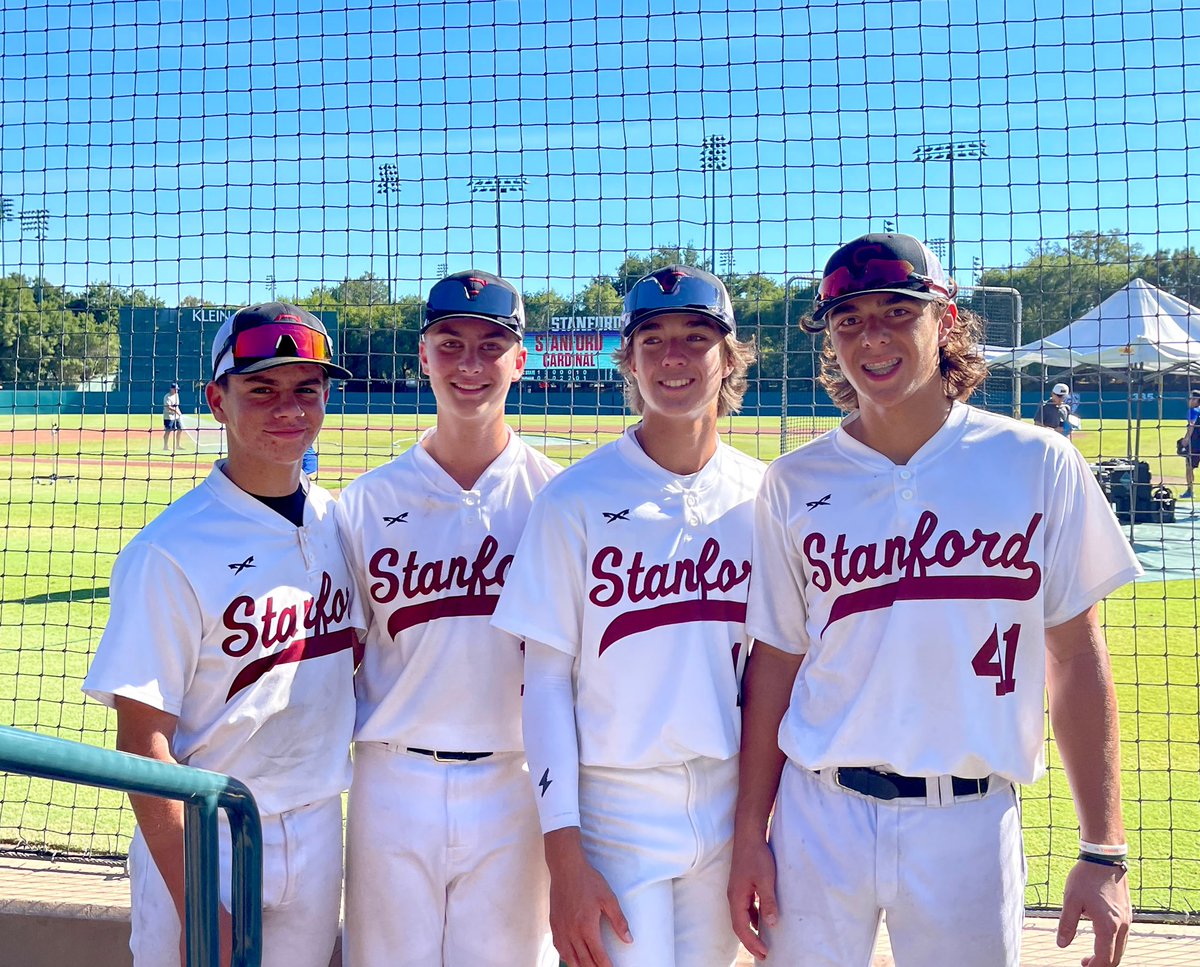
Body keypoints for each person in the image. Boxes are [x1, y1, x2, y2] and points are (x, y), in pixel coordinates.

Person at [728, 233, 1141, 967]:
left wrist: (1104, 849)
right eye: (849, 319)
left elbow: (1076, 655)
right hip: (819, 817)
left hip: (970, 821)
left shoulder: (1037, 461)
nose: (872, 337)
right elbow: (775, 666)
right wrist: (748, 837)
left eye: (897, 311)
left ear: (945, 319)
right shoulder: (793, 481)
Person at [493, 265, 764, 967]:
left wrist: (757, 826)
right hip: (614, 806)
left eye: (696, 337)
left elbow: (774, 673)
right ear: (630, 360)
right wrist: (564, 854)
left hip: (726, 801)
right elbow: (543, 684)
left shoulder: (762, 496)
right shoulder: (574, 499)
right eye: (652, 339)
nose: (673, 356)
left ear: (729, 356)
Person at [83, 302, 363, 967]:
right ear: (216, 400)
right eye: (261, 389)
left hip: (318, 821)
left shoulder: (340, 523)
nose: (288, 408)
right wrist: (196, 899)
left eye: (307, 389)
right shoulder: (170, 550)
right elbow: (143, 742)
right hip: (205, 831)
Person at [335, 269, 559, 967]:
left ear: (520, 361)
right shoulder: (366, 502)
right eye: (450, 344)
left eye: (491, 346)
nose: (470, 364)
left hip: (516, 780)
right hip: (391, 778)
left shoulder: (558, 498)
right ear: (423, 356)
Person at [1181, 388, 1200, 498]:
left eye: (1191, 398)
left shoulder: (1193, 411)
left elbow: (1191, 425)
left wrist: (1186, 439)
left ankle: (1190, 490)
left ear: (1196, 400)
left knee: (1189, 467)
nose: (1189, 401)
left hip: (1195, 444)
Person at [162, 381, 184, 453]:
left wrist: (179, 412)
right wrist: (176, 411)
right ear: (171, 389)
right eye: (175, 389)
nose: (176, 390)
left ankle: (178, 445)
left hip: (176, 416)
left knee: (180, 429)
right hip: (168, 416)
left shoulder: (177, 395)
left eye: (177, 389)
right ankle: (165, 446)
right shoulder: (167, 396)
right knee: (168, 431)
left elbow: (176, 406)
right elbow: (168, 407)